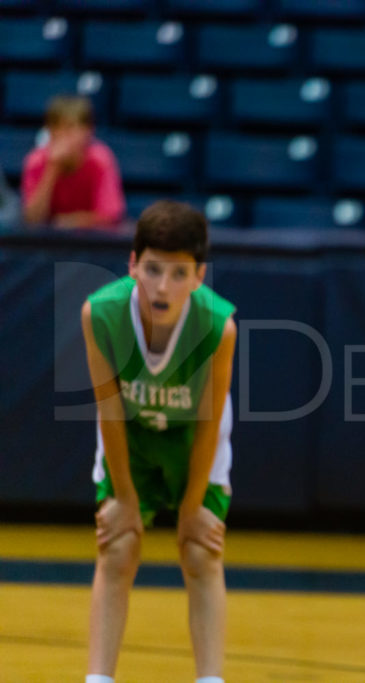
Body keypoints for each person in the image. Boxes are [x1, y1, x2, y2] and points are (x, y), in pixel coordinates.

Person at [82, 201, 236, 683]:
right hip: (131, 433)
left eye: (178, 273)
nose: (162, 287)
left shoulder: (218, 326)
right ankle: (98, 677)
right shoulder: (100, 315)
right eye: (152, 270)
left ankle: (210, 678)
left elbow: (210, 420)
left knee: (200, 548)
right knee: (119, 544)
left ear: (198, 276)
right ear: (132, 265)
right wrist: (124, 497)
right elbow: (108, 410)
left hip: (193, 436)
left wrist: (192, 506)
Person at [22, 95, 125, 230]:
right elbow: (32, 219)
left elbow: (111, 215)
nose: (62, 134)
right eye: (56, 127)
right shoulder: (35, 161)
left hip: (93, 244)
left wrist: (71, 221)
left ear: (88, 131)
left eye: (70, 127)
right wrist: (52, 169)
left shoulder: (101, 160)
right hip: (47, 246)